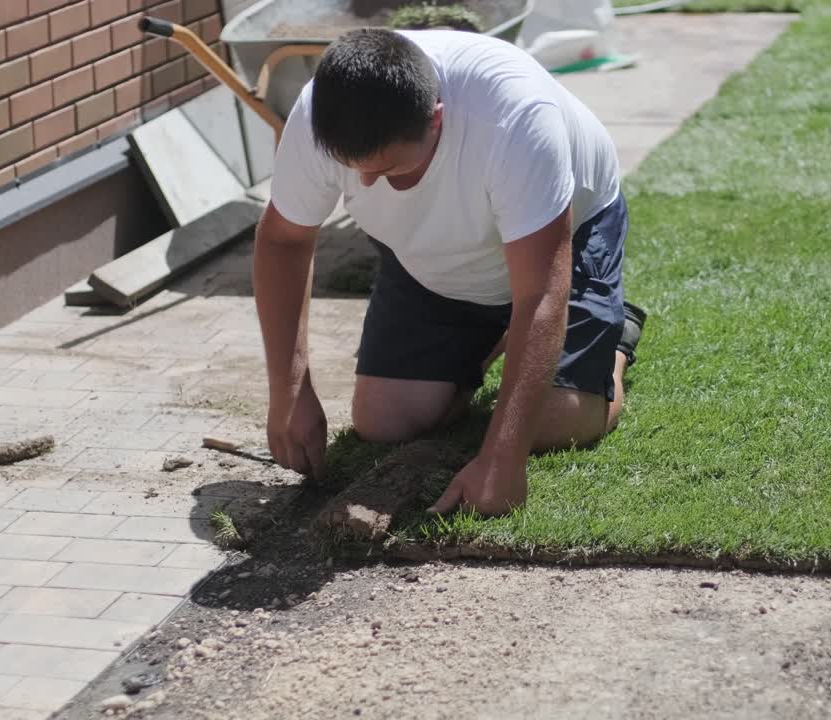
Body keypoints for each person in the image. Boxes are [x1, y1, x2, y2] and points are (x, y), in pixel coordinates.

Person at [253, 27, 646, 517]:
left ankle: (615, 343)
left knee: (553, 423)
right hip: (431, 257)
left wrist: (502, 459)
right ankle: (493, 339)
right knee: (384, 421)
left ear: (436, 119)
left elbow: (541, 293)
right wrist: (289, 392)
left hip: (562, 241)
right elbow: (283, 240)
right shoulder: (322, 112)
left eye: (389, 169)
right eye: (352, 169)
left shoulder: (513, 119)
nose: (368, 183)